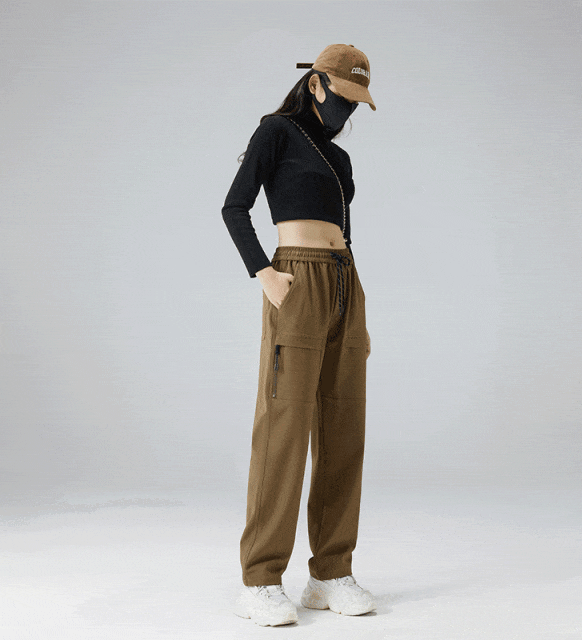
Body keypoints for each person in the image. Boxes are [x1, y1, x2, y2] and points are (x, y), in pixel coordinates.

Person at [222, 44, 377, 627]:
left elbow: (343, 229)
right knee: (283, 427)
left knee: (343, 425)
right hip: (297, 279)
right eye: (343, 96)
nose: (348, 110)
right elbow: (234, 207)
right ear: (316, 84)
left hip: (344, 280)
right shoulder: (276, 131)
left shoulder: (338, 157)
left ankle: (331, 572)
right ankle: (260, 579)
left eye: (357, 102)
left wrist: (353, 298)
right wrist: (266, 274)